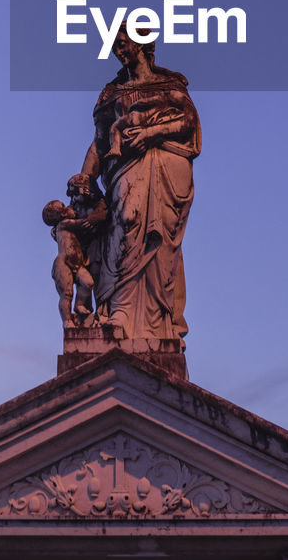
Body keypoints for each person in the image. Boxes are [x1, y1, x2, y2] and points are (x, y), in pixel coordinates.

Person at [79, 29, 200, 341]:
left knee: (159, 246)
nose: (119, 50)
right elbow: (99, 142)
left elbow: (188, 123)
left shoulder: (170, 85)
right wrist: (86, 176)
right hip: (125, 169)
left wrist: (150, 135)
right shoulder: (111, 93)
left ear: (142, 44)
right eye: (115, 46)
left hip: (168, 168)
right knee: (127, 223)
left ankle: (159, 320)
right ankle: (119, 309)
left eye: (123, 43)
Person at [41, 200, 96, 328]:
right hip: (63, 263)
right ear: (60, 214)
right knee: (67, 293)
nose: (68, 208)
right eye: (63, 207)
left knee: (88, 283)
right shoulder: (64, 224)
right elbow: (82, 224)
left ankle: (79, 305)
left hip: (77, 263)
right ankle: (67, 321)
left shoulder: (62, 227)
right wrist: (95, 217)